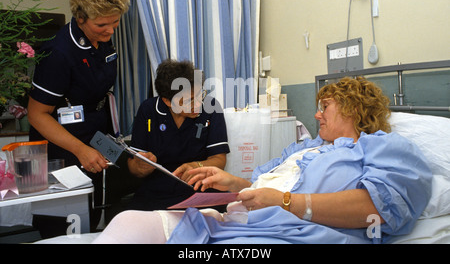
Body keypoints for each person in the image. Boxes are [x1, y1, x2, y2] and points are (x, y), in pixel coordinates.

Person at [93, 77, 432, 244]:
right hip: (238, 220)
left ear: (354, 108)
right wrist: (233, 184)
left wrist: (286, 203)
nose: (316, 114)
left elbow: (379, 210)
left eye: (324, 107)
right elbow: (266, 187)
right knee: (126, 223)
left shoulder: (384, 148)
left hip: (296, 234)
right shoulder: (304, 149)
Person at [27, 0, 130, 230]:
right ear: (80, 17)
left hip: (94, 132)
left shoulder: (104, 42)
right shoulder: (58, 53)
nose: (109, 31)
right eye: (102, 25)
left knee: (94, 211)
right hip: (62, 145)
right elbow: (37, 114)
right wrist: (80, 150)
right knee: (64, 223)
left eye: (115, 23)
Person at [126, 59, 230, 211]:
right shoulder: (148, 111)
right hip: (158, 192)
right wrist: (141, 166)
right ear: (167, 101)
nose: (198, 104)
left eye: (200, 95)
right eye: (189, 100)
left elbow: (219, 159)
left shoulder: (211, 108)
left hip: (201, 189)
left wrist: (196, 166)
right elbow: (133, 165)